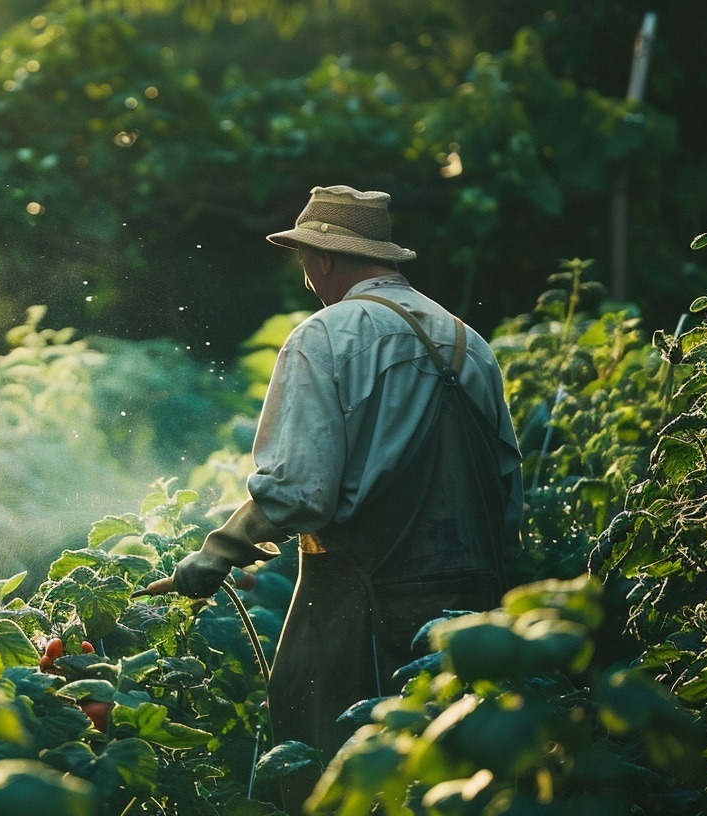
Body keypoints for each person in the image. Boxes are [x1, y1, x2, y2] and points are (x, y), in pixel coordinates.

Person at [168, 185, 523, 810]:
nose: (307, 277)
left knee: (333, 764)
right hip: (473, 605)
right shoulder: (471, 343)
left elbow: (300, 494)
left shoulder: (324, 337)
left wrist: (216, 554)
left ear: (325, 259)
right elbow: (506, 492)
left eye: (306, 260)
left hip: (359, 601)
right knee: (451, 773)